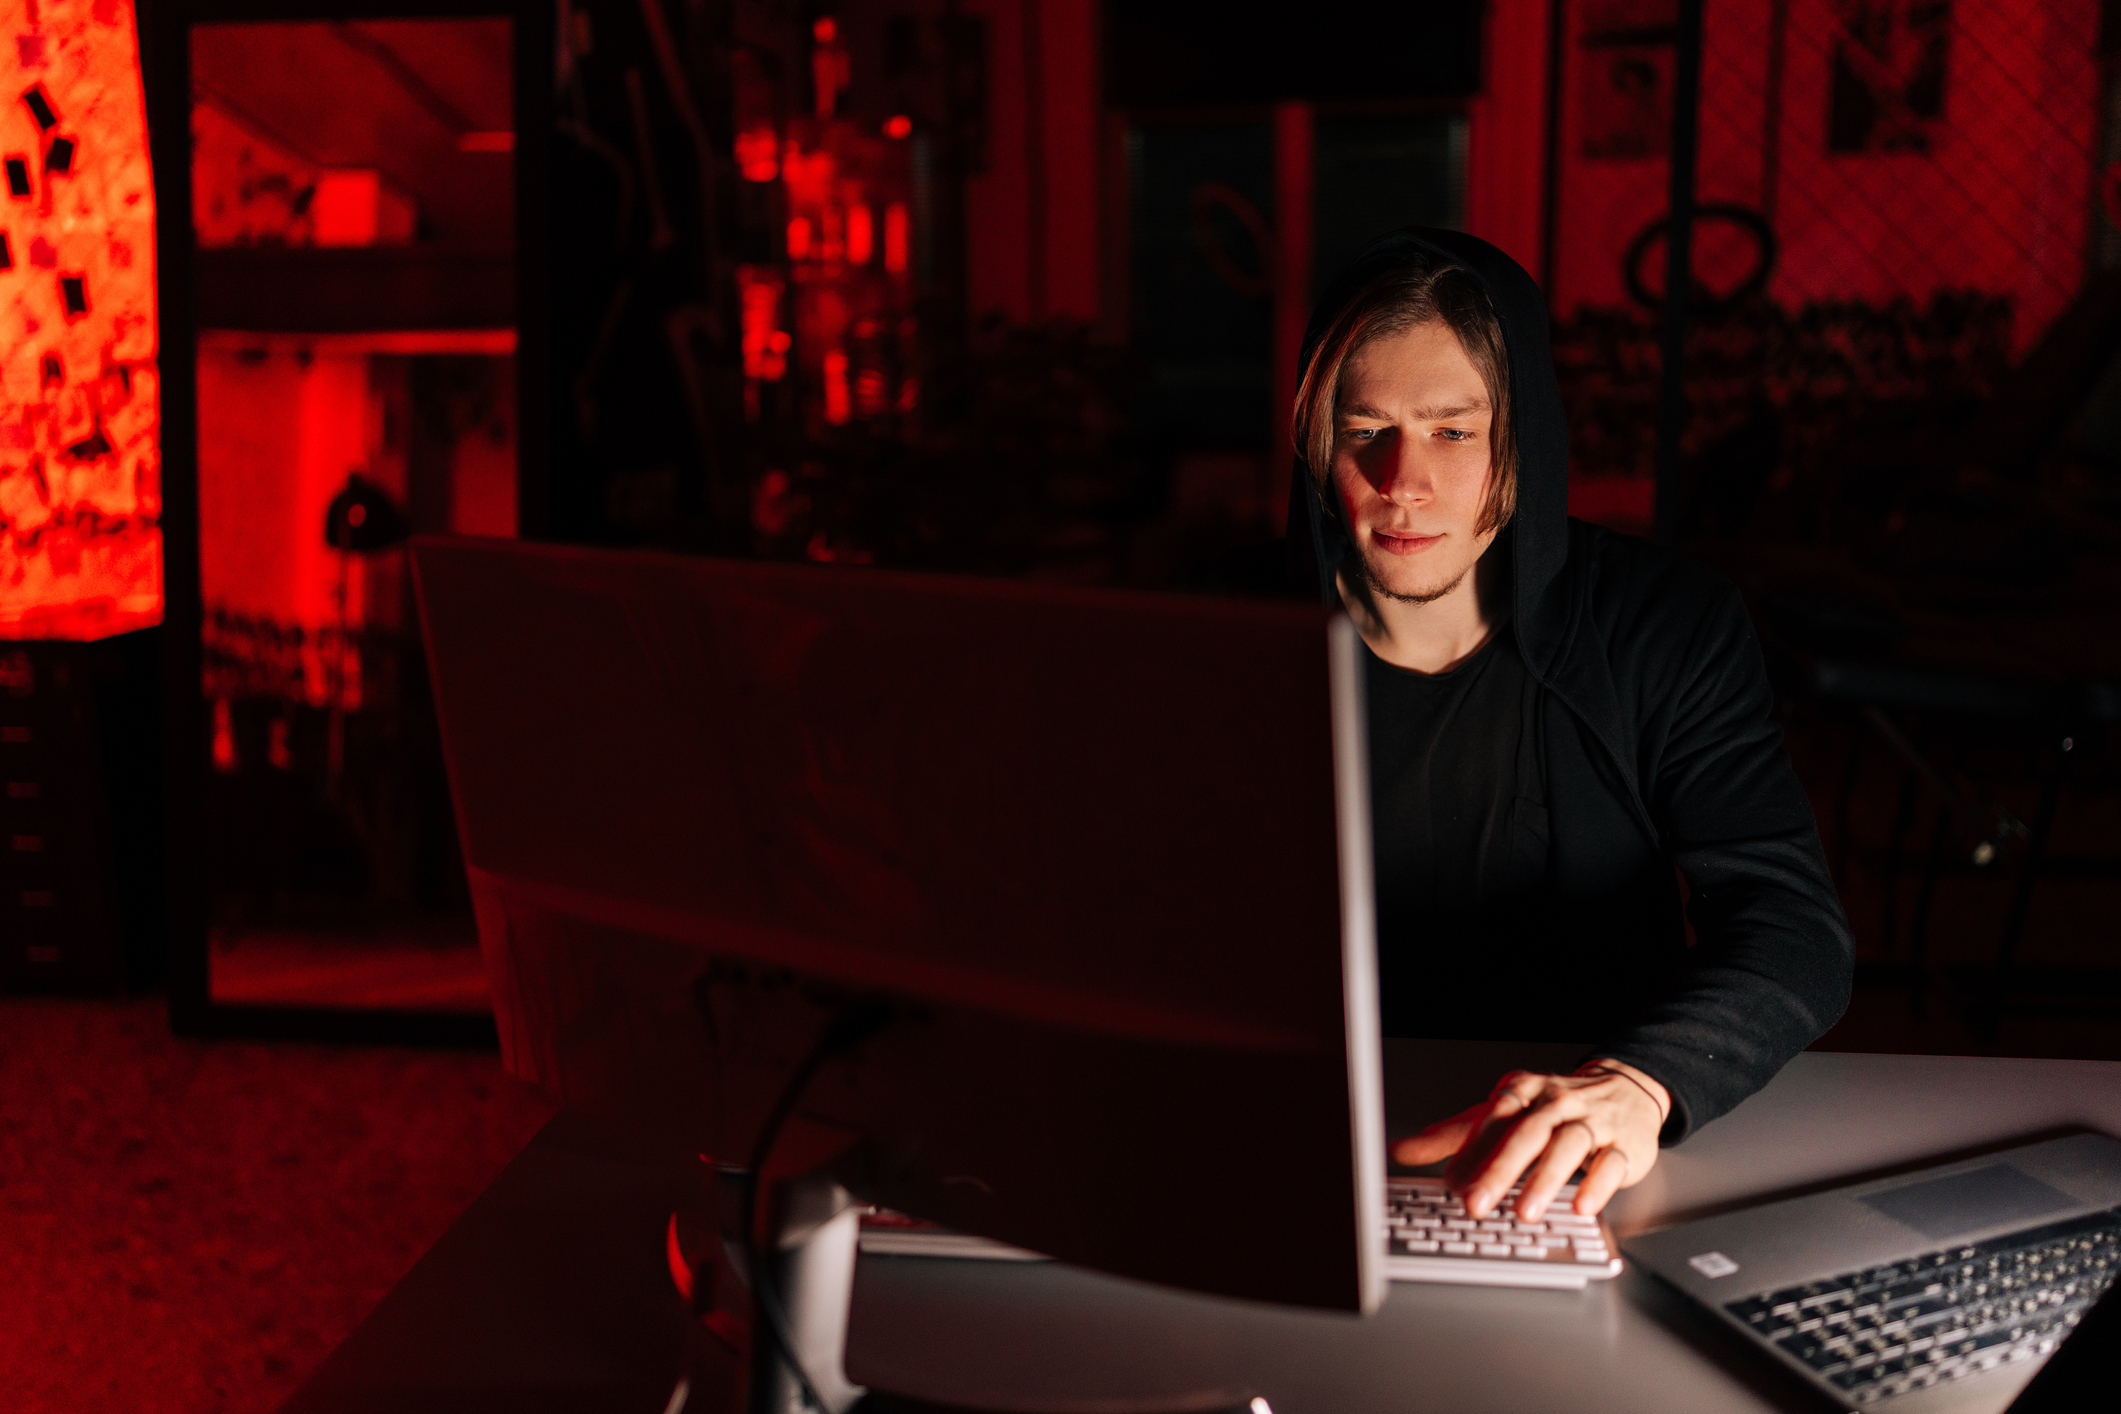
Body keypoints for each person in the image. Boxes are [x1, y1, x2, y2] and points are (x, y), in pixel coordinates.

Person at [1277, 230, 1852, 1226]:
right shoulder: (1221, 634)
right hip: (1298, 1145)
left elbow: (1792, 922)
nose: (1402, 477)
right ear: (1317, 440)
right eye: (1364, 427)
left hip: (1574, 1172)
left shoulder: (1661, 623)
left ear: (1524, 436)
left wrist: (1642, 1083)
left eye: (1454, 432)